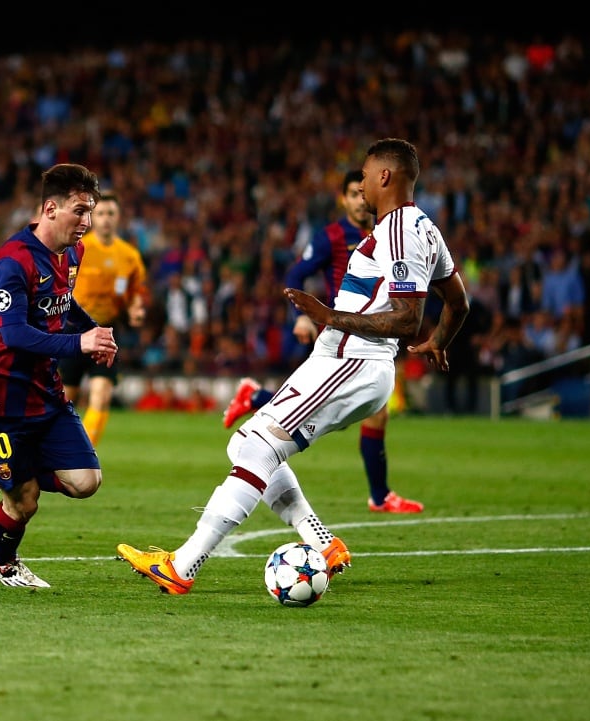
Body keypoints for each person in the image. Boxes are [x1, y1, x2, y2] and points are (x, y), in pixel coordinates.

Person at [117, 138, 470, 595]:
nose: (360, 182)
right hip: (347, 360)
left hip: (352, 359)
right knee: (247, 443)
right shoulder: (424, 229)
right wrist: (441, 340)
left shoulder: (399, 230)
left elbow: (407, 317)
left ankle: (182, 565)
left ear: (385, 176)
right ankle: (322, 545)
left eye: (365, 173)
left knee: (259, 446)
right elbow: (458, 303)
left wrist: (328, 316)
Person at [222, 169, 423, 513]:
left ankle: (254, 396)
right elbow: (297, 274)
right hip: (341, 338)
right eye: (352, 195)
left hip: (372, 335)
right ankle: (379, 496)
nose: (360, 201)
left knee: (365, 412)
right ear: (343, 199)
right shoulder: (332, 235)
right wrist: (302, 315)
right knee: (343, 412)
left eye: (363, 194)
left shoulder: (388, 235)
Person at [0, 163, 118, 588]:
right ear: (50, 208)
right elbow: (13, 334)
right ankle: (2, 562)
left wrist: (92, 332)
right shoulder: (12, 261)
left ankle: (1, 468)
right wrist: (79, 345)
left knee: (87, 482)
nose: (86, 222)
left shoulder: (73, 253)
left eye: (91, 212)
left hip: (45, 395)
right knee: (26, 500)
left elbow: (62, 305)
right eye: (79, 211)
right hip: (0, 401)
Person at [58, 191, 149, 445]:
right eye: (100, 214)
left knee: (101, 396)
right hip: (73, 332)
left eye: (111, 213)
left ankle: (81, 454)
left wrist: (136, 309)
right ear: (91, 217)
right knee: (66, 398)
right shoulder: (78, 248)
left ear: (118, 217)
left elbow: (136, 293)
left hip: (107, 332)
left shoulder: (128, 255)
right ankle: (52, 447)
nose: (106, 219)